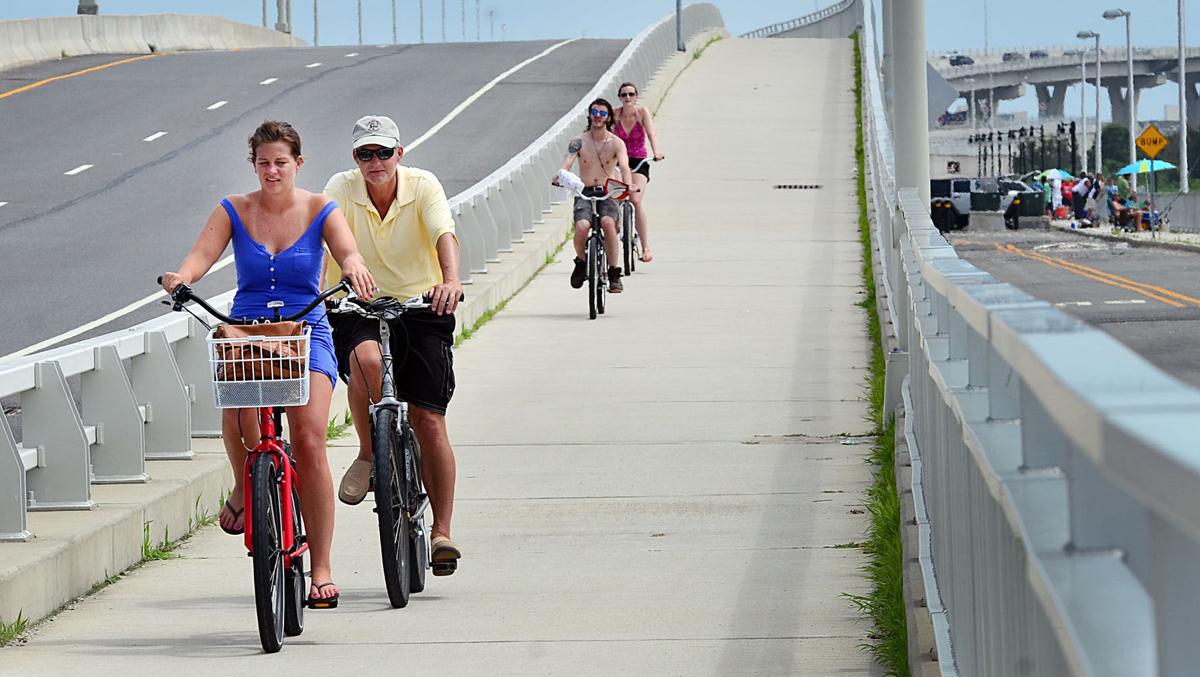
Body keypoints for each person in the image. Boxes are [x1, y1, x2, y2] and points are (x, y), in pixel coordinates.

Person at [161, 120, 376, 608]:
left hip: (305, 330)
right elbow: (198, 258)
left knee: (308, 438)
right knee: (237, 420)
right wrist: (181, 278)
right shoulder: (233, 209)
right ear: (253, 165)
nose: (272, 171)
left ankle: (321, 567)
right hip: (249, 333)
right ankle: (245, 483)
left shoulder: (322, 208)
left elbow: (348, 253)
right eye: (263, 163)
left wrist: (357, 267)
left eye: (281, 162)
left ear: (298, 163)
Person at [322, 114, 466, 576]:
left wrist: (450, 281)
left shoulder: (422, 186)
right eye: (366, 154)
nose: (375, 161)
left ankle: (442, 532)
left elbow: (445, 233)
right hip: (357, 307)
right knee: (365, 360)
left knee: (428, 419)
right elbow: (318, 234)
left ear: (399, 154)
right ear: (355, 159)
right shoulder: (340, 189)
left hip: (421, 305)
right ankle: (368, 452)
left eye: (384, 152)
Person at [552, 97, 638, 293]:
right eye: (594, 113)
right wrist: (559, 176)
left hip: (608, 191)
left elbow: (624, 166)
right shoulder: (579, 141)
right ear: (590, 115)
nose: (597, 117)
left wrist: (629, 184)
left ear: (608, 117)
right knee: (582, 227)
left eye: (602, 113)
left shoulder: (616, 143)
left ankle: (614, 272)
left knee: (608, 223)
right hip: (585, 191)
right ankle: (581, 261)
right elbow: (567, 162)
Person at [612, 82, 664, 263]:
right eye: (624, 95)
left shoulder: (642, 113)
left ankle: (645, 247)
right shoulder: (615, 115)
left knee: (635, 199)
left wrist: (656, 151)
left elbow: (651, 134)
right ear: (619, 97)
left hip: (638, 160)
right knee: (617, 196)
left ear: (636, 96)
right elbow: (608, 137)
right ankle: (615, 227)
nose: (628, 98)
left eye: (631, 94)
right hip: (619, 161)